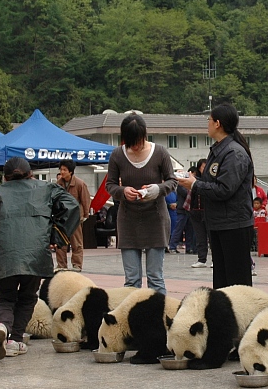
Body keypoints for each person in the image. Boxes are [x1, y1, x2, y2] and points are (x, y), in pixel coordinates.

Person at [0, 157, 79, 359]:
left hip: (4, 254)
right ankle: (15, 340)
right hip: (35, 252)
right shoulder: (47, 189)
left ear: (5, 178)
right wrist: (56, 235)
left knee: (4, 297)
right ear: (30, 174)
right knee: (27, 297)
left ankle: (0, 326)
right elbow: (72, 206)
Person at [177, 104, 256, 288]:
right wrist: (193, 181)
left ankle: (241, 316)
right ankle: (224, 317)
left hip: (234, 224)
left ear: (218, 123)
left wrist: (195, 184)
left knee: (237, 283)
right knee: (222, 281)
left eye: (209, 120)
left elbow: (224, 189)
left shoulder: (234, 153)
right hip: (219, 222)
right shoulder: (218, 151)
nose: (207, 124)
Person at [106, 114, 177, 293]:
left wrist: (156, 190)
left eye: (138, 141)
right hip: (128, 220)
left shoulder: (160, 152)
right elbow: (110, 185)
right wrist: (123, 192)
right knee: (131, 280)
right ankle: (132, 318)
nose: (135, 146)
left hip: (155, 218)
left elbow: (172, 181)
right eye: (131, 142)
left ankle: (159, 317)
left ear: (144, 135)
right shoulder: (117, 155)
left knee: (155, 277)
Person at [55, 160, 91, 271]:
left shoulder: (80, 184)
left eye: (65, 170)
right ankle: (61, 265)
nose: (62, 172)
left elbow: (85, 200)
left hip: (75, 218)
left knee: (77, 243)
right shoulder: (58, 184)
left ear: (71, 172)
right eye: (61, 169)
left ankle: (77, 265)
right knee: (60, 243)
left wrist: (85, 214)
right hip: (62, 218)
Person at [188, 159, 209, 269]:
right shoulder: (194, 181)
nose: (204, 169)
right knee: (200, 237)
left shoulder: (210, 180)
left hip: (208, 212)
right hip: (196, 211)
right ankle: (201, 259)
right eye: (202, 167)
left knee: (211, 236)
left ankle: (216, 260)